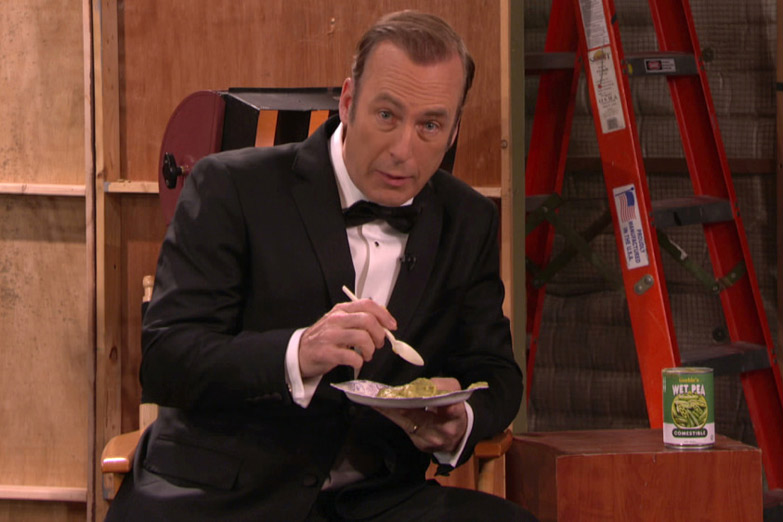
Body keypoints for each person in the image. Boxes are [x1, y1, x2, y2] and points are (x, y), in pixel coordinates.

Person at [106, 10, 534, 522]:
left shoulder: (468, 219)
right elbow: (166, 361)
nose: (404, 150)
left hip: (375, 501)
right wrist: (297, 353)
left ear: (453, 129)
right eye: (386, 115)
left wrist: (461, 417)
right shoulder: (231, 187)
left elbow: (496, 374)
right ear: (348, 102)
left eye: (430, 125)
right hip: (225, 497)